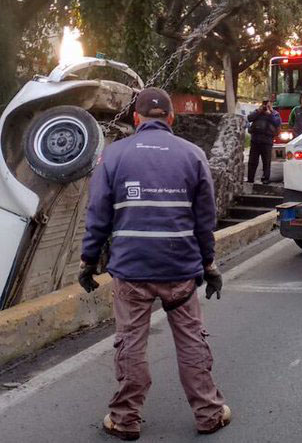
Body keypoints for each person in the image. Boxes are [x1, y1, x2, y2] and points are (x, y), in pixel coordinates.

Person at [78, 87, 230, 440]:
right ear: (171, 119)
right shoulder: (193, 155)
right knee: (192, 341)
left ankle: (125, 418)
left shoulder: (114, 156)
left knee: (131, 342)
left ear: (136, 119)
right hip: (180, 269)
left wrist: (88, 261)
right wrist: (209, 265)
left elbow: (98, 214)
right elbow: (204, 220)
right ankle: (209, 413)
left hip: (132, 270)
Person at [245, 99, 280, 184]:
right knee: (252, 161)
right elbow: (249, 118)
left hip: (267, 141)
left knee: (266, 161)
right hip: (255, 140)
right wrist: (259, 111)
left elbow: (277, 123)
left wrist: (270, 114)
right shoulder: (257, 112)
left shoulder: (275, 113)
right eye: (264, 104)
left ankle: (265, 179)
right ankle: (250, 179)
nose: (266, 106)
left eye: (268, 104)